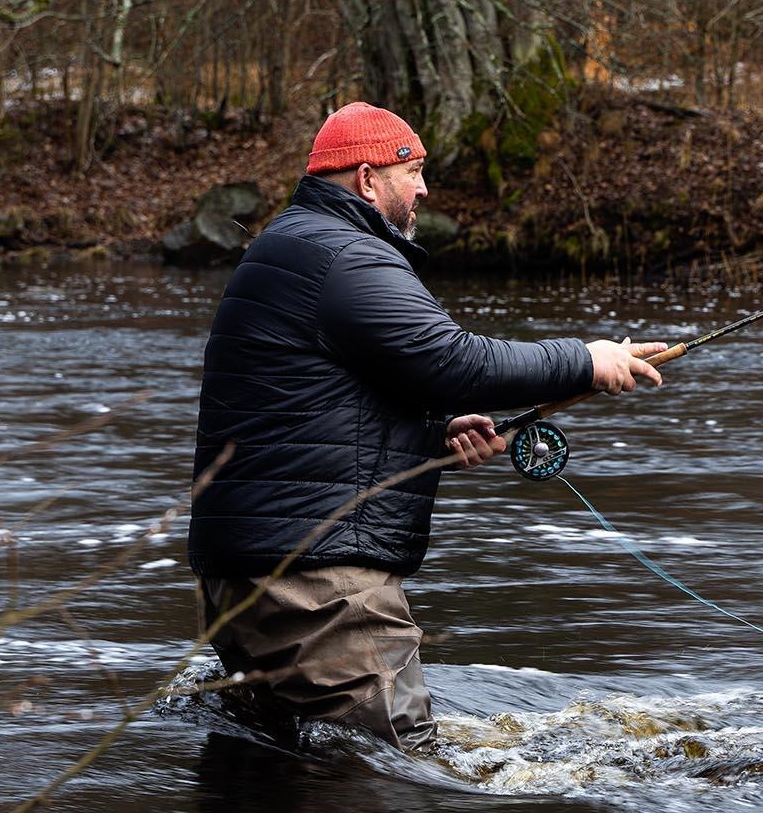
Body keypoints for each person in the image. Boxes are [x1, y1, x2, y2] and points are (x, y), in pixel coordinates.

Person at [188, 101, 663, 751]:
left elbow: (301, 419)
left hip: (251, 584)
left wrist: (433, 439)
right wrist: (585, 360)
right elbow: (454, 362)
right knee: (392, 772)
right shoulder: (344, 257)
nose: (424, 188)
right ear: (366, 180)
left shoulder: (289, 245)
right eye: (413, 171)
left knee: (282, 774)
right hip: (318, 590)